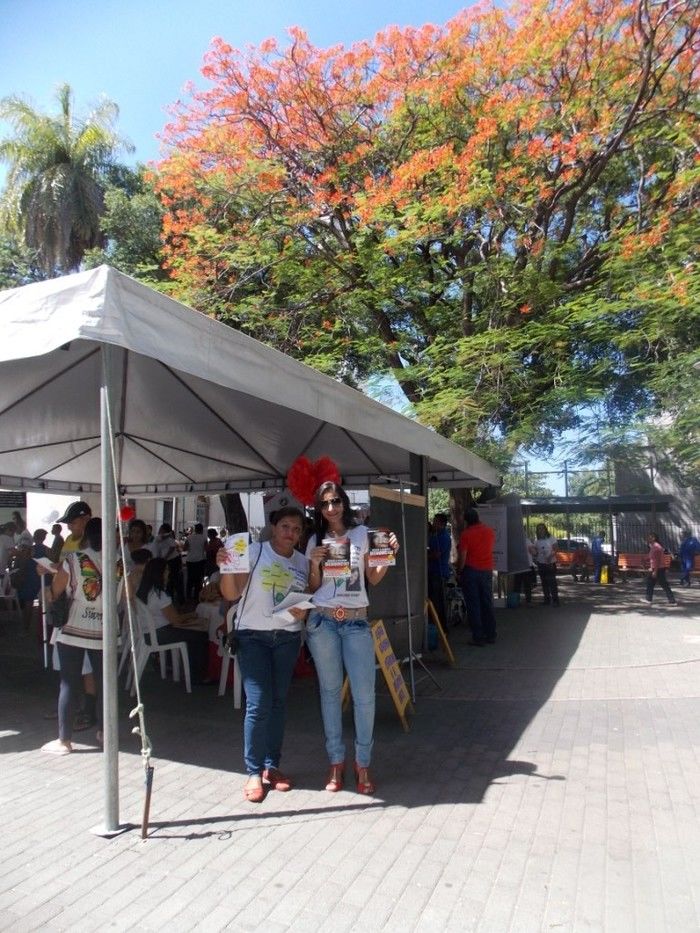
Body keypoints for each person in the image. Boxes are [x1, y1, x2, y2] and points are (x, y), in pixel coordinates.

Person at [305, 482, 399, 796]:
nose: (330, 509)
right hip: (324, 622)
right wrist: (316, 563)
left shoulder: (363, 535)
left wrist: (386, 555)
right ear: (318, 509)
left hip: (357, 622)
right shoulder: (314, 540)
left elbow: (372, 578)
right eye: (324, 504)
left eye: (335, 501)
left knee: (365, 696)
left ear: (344, 503)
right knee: (330, 693)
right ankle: (335, 762)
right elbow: (313, 587)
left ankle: (363, 763)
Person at [217, 507, 309, 803]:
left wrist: (301, 611)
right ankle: (253, 772)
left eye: (296, 529)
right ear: (272, 526)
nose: (290, 533)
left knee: (279, 702)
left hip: (287, 638)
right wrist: (226, 567)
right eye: (285, 526)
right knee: (258, 704)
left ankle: (272, 766)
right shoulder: (253, 552)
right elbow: (231, 594)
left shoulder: (303, 562)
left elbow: (305, 602)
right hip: (252, 637)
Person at [41, 517, 105, 755]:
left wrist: (49, 588)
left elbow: (56, 591)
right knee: (104, 683)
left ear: (86, 536)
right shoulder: (119, 562)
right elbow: (124, 598)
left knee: (68, 682)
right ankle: (105, 731)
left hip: (74, 628)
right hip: (105, 630)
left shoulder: (73, 559)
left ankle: (65, 740)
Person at [135, 557, 210, 684]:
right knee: (200, 636)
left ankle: (178, 667)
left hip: (148, 632)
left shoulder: (143, 591)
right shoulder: (160, 595)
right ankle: (196, 676)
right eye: (166, 570)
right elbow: (176, 621)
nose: (168, 573)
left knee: (192, 633)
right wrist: (193, 615)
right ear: (160, 573)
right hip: (160, 634)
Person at [458, 508, 497, 646]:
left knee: (474, 604)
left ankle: (478, 637)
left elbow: (462, 556)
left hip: (471, 571)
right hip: (487, 570)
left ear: (467, 520)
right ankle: (491, 634)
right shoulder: (489, 531)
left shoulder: (466, 534)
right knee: (487, 602)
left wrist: (459, 571)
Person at [427, 513, 452, 627]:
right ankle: (434, 624)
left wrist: (424, 556)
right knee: (433, 599)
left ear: (442, 524)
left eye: (435, 522)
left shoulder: (444, 537)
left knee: (439, 602)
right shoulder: (434, 535)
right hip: (432, 571)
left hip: (439, 573)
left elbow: (437, 554)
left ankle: (442, 627)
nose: (433, 523)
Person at [531, 523, 560, 605]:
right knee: (544, 582)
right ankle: (546, 600)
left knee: (552, 582)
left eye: (542, 528)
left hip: (550, 563)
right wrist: (533, 552)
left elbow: (556, 549)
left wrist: (550, 556)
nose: (540, 530)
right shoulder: (537, 541)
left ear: (545, 529)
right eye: (539, 529)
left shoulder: (551, 538)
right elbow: (535, 552)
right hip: (541, 563)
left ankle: (555, 600)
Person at [646, 533, 677, 606]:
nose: (647, 539)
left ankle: (672, 601)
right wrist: (646, 559)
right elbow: (652, 558)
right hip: (656, 568)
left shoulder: (656, 547)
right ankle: (648, 599)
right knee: (650, 583)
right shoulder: (653, 546)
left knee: (663, 584)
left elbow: (657, 561)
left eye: (649, 537)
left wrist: (655, 571)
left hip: (658, 568)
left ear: (653, 538)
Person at [183, 522, 207, 602]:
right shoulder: (204, 538)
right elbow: (206, 549)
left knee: (190, 579)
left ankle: (188, 596)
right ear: (202, 530)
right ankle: (197, 597)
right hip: (200, 560)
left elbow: (184, 548)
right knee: (198, 580)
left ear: (195, 530)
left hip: (190, 560)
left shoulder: (189, 537)